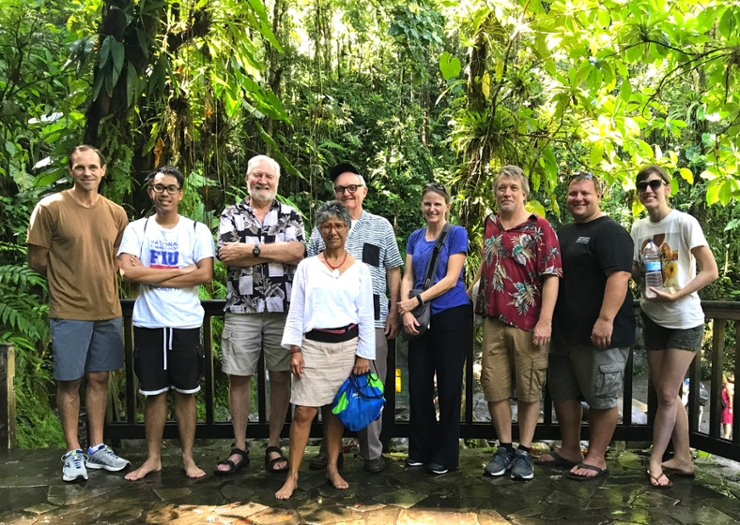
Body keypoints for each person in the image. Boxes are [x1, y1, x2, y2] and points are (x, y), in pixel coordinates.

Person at [27, 145, 131, 482]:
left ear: (103, 170)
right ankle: (73, 450)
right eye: (79, 167)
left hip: (107, 308)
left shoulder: (116, 213)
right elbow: (37, 260)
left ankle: (97, 447)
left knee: (100, 378)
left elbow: (119, 260)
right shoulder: (50, 208)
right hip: (69, 309)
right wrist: (67, 282)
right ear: (71, 171)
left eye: (92, 167)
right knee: (69, 380)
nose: (87, 173)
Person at [117, 166, 215, 480]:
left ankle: (187, 458)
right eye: (159, 188)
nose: (165, 193)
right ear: (151, 192)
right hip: (149, 323)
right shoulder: (137, 230)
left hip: (185, 323)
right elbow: (128, 273)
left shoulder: (197, 230)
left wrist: (152, 274)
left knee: (187, 393)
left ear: (181, 193)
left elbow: (204, 274)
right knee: (154, 393)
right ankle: (153, 458)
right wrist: (178, 273)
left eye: (172, 188)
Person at [306, 163, 403, 473]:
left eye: (352, 188)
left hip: (373, 320)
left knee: (369, 386)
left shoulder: (381, 226)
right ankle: (329, 451)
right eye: (340, 189)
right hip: (330, 322)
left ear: (364, 191)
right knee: (328, 386)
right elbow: (309, 270)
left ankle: (372, 452)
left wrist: (393, 311)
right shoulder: (323, 225)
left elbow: (393, 269)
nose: (346, 193)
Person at [276, 200, 375, 499]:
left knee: (335, 412)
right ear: (320, 230)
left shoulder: (360, 270)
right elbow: (296, 311)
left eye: (339, 225)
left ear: (347, 229)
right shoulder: (307, 267)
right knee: (304, 412)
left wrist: (364, 355)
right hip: (313, 346)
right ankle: (292, 475)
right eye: (327, 226)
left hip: (347, 347)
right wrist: (295, 349)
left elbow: (365, 315)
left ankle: (333, 467)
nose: (333, 231)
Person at [470, 165, 562, 481]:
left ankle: (524, 451)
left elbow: (552, 276)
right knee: (494, 386)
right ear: (495, 194)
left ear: (524, 193)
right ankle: (504, 447)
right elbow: (488, 260)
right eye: (501, 188)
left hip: (528, 321)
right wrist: (475, 285)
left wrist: (545, 322)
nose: (506, 193)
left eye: (512, 188)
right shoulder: (491, 224)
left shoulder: (540, 228)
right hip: (493, 319)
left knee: (529, 387)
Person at [540, 173, 634, 480]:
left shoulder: (611, 233)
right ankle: (570, 449)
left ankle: (596, 457)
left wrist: (605, 319)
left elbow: (619, 277)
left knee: (601, 396)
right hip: (565, 333)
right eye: (572, 194)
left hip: (601, 335)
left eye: (584, 193)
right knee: (563, 393)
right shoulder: (564, 232)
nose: (578, 198)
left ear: (598, 196)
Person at [215, 155, 305, 475]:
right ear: (247, 178)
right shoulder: (231, 214)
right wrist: (272, 252)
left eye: (268, 176)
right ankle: (239, 446)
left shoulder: (291, 215)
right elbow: (226, 254)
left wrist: (250, 250)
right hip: (242, 309)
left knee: (280, 378)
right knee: (239, 376)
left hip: (282, 310)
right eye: (257, 175)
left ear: (277, 181)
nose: (263, 181)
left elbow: (297, 253)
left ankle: (273, 443)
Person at [630, 165, 718, 487]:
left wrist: (678, 293)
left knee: (667, 393)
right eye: (642, 185)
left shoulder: (684, 222)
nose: (648, 190)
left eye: (654, 183)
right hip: (653, 317)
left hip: (684, 319)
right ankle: (682, 458)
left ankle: (655, 459)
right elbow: (639, 269)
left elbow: (711, 270)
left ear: (667, 188)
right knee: (666, 393)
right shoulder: (638, 228)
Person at [398, 183, 471, 475]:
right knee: (418, 382)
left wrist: (416, 300)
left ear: (447, 206)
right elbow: (408, 275)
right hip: (418, 316)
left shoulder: (456, 234)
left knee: (450, 383)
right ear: (422, 206)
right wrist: (405, 309)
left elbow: (452, 278)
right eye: (427, 204)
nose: (432, 209)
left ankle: (446, 454)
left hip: (451, 314)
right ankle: (420, 449)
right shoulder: (415, 237)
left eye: (437, 204)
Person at [722, 374, 734, 440]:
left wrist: (730, 407)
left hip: (727, 406)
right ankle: (725, 434)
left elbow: (730, 397)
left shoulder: (727, 387)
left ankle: (727, 436)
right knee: (724, 421)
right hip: (723, 406)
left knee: (728, 421)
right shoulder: (722, 387)